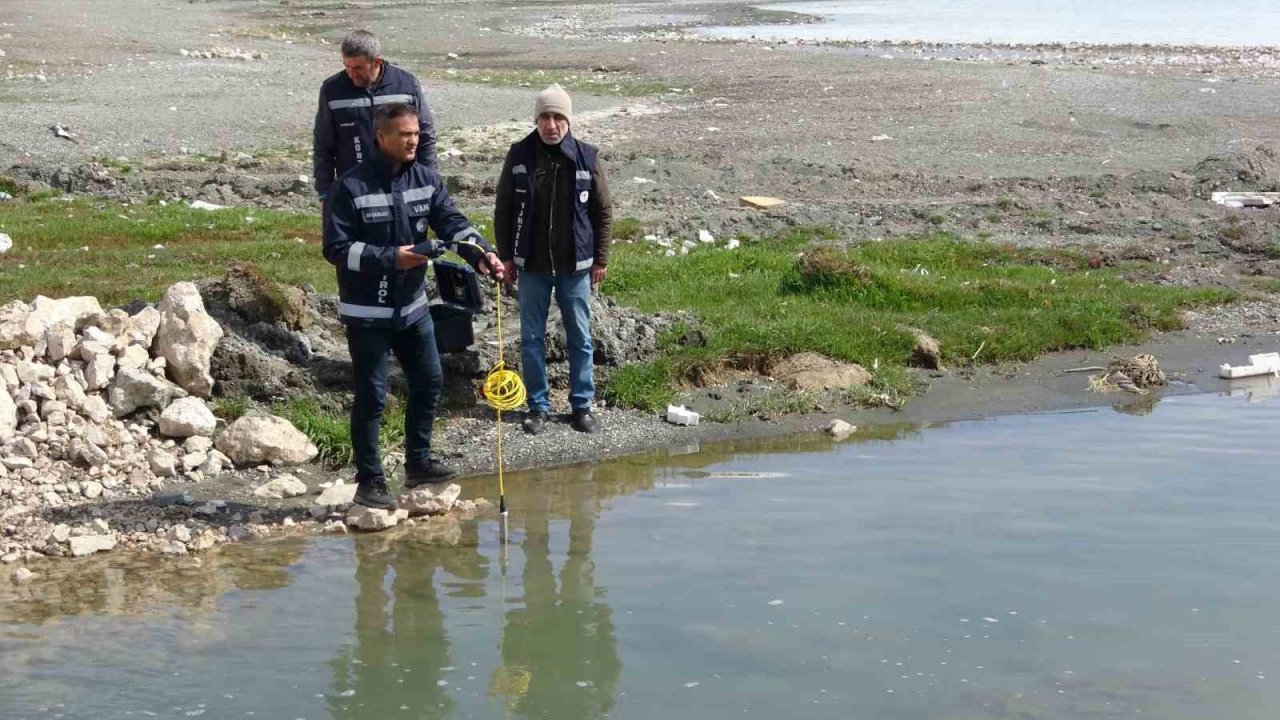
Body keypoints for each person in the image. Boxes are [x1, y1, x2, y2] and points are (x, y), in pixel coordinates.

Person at [323, 102, 504, 510]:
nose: (412, 140)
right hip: (366, 314)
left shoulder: (426, 179)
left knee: (430, 381)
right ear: (380, 136)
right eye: (404, 134)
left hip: (413, 309)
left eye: (417, 133)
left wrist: (481, 254)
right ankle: (369, 481)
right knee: (372, 395)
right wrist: (392, 258)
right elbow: (336, 250)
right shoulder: (348, 188)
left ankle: (418, 462)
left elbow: (453, 223)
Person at [494, 84, 613, 435]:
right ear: (536, 119)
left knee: (580, 335)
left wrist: (600, 259)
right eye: (545, 116)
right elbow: (503, 209)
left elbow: (603, 212)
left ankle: (582, 406)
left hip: (575, 267)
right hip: (530, 266)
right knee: (531, 338)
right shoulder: (518, 156)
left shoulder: (587, 157)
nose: (551, 124)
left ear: (568, 121)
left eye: (558, 117)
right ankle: (538, 407)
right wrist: (506, 257)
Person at [313, 29, 438, 199]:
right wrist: (324, 193)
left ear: (377, 62)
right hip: (354, 190)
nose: (351, 74)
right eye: (347, 67)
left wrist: (430, 183)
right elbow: (323, 144)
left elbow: (425, 136)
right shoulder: (332, 89)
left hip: (404, 186)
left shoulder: (407, 85)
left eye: (358, 68)